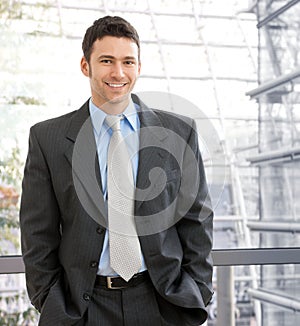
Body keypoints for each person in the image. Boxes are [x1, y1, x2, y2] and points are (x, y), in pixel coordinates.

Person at [19, 16, 213, 326]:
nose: (118, 73)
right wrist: (49, 299)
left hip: (162, 303)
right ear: (86, 66)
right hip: (83, 308)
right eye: (106, 60)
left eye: (128, 61)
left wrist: (197, 291)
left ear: (139, 67)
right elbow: (36, 233)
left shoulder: (179, 132)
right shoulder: (47, 139)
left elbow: (196, 219)